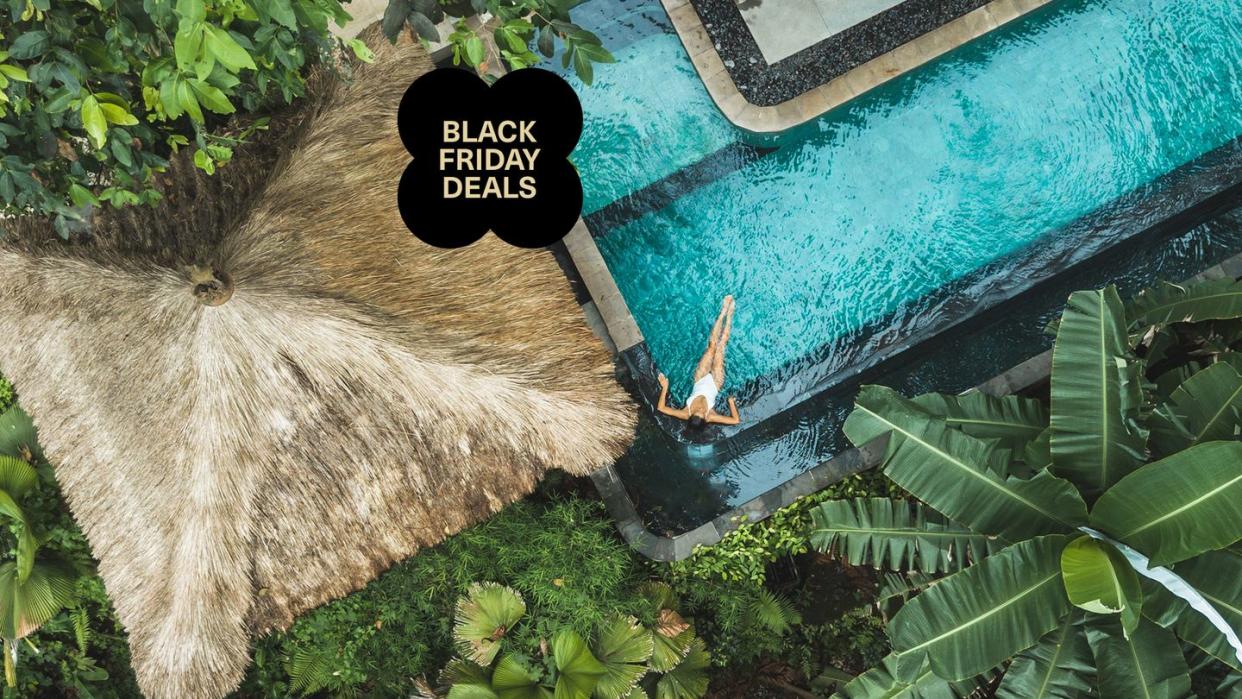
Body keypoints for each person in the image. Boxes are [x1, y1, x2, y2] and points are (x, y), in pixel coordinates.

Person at [657, 295, 741, 428]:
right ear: (705, 418)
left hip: (700, 378)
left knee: (712, 347)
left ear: (691, 415)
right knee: (720, 348)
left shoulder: (686, 413)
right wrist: (731, 402)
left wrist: (665, 387)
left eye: (697, 411)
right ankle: (730, 315)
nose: (701, 410)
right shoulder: (710, 416)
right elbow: (735, 420)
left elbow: (661, 408)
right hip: (715, 383)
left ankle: (723, 311)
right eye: (702, 413)